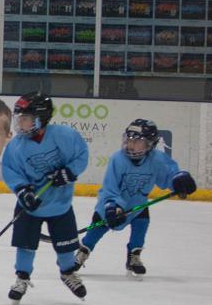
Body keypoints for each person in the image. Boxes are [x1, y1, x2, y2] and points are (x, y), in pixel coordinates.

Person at [74, 119, 196, 278]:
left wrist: (179, 180)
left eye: (137, 141)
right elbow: (110, 187)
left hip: (138, 204)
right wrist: (112, 206)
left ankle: (134, 256)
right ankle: (83, 251)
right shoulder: (118, 159)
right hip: (112, 204)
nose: (131, 144)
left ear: (150, 144)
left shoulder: (157, 159)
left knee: (141, 225)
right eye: (129, 139)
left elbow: (169, 175)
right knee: (96, 229)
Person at [1, 93, 89, 304]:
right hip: (31, 205)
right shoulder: (15, 146)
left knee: (66, 245)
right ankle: (22, 277)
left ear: (41, 119)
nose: (20, 124)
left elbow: (81, 155)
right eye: (19, 118)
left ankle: (67, 272)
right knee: (25, 245)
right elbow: (11, 171)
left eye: (25, 119)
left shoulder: (64, 135)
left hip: (60, 204)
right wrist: (22, 191)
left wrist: (69, 172)